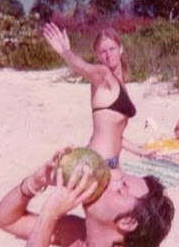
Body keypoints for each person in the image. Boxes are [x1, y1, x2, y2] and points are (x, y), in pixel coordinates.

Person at [0, 148, 174, 247]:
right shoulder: (76, 231)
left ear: (128, 221)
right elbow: (4, 219)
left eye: (120, 190)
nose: (108, 182)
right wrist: (34, 183)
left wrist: (49, 215)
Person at [42, 23, 154, 170]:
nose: (108, 55)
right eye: (103, 51)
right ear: (97, 55)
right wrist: (65, 51)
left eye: (112, 49)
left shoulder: (121, 84)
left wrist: (141, 152)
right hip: (96, 164)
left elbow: (115, 133)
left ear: (120, 49)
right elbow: (79, 66)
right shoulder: (103, 75)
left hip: (111, 164)